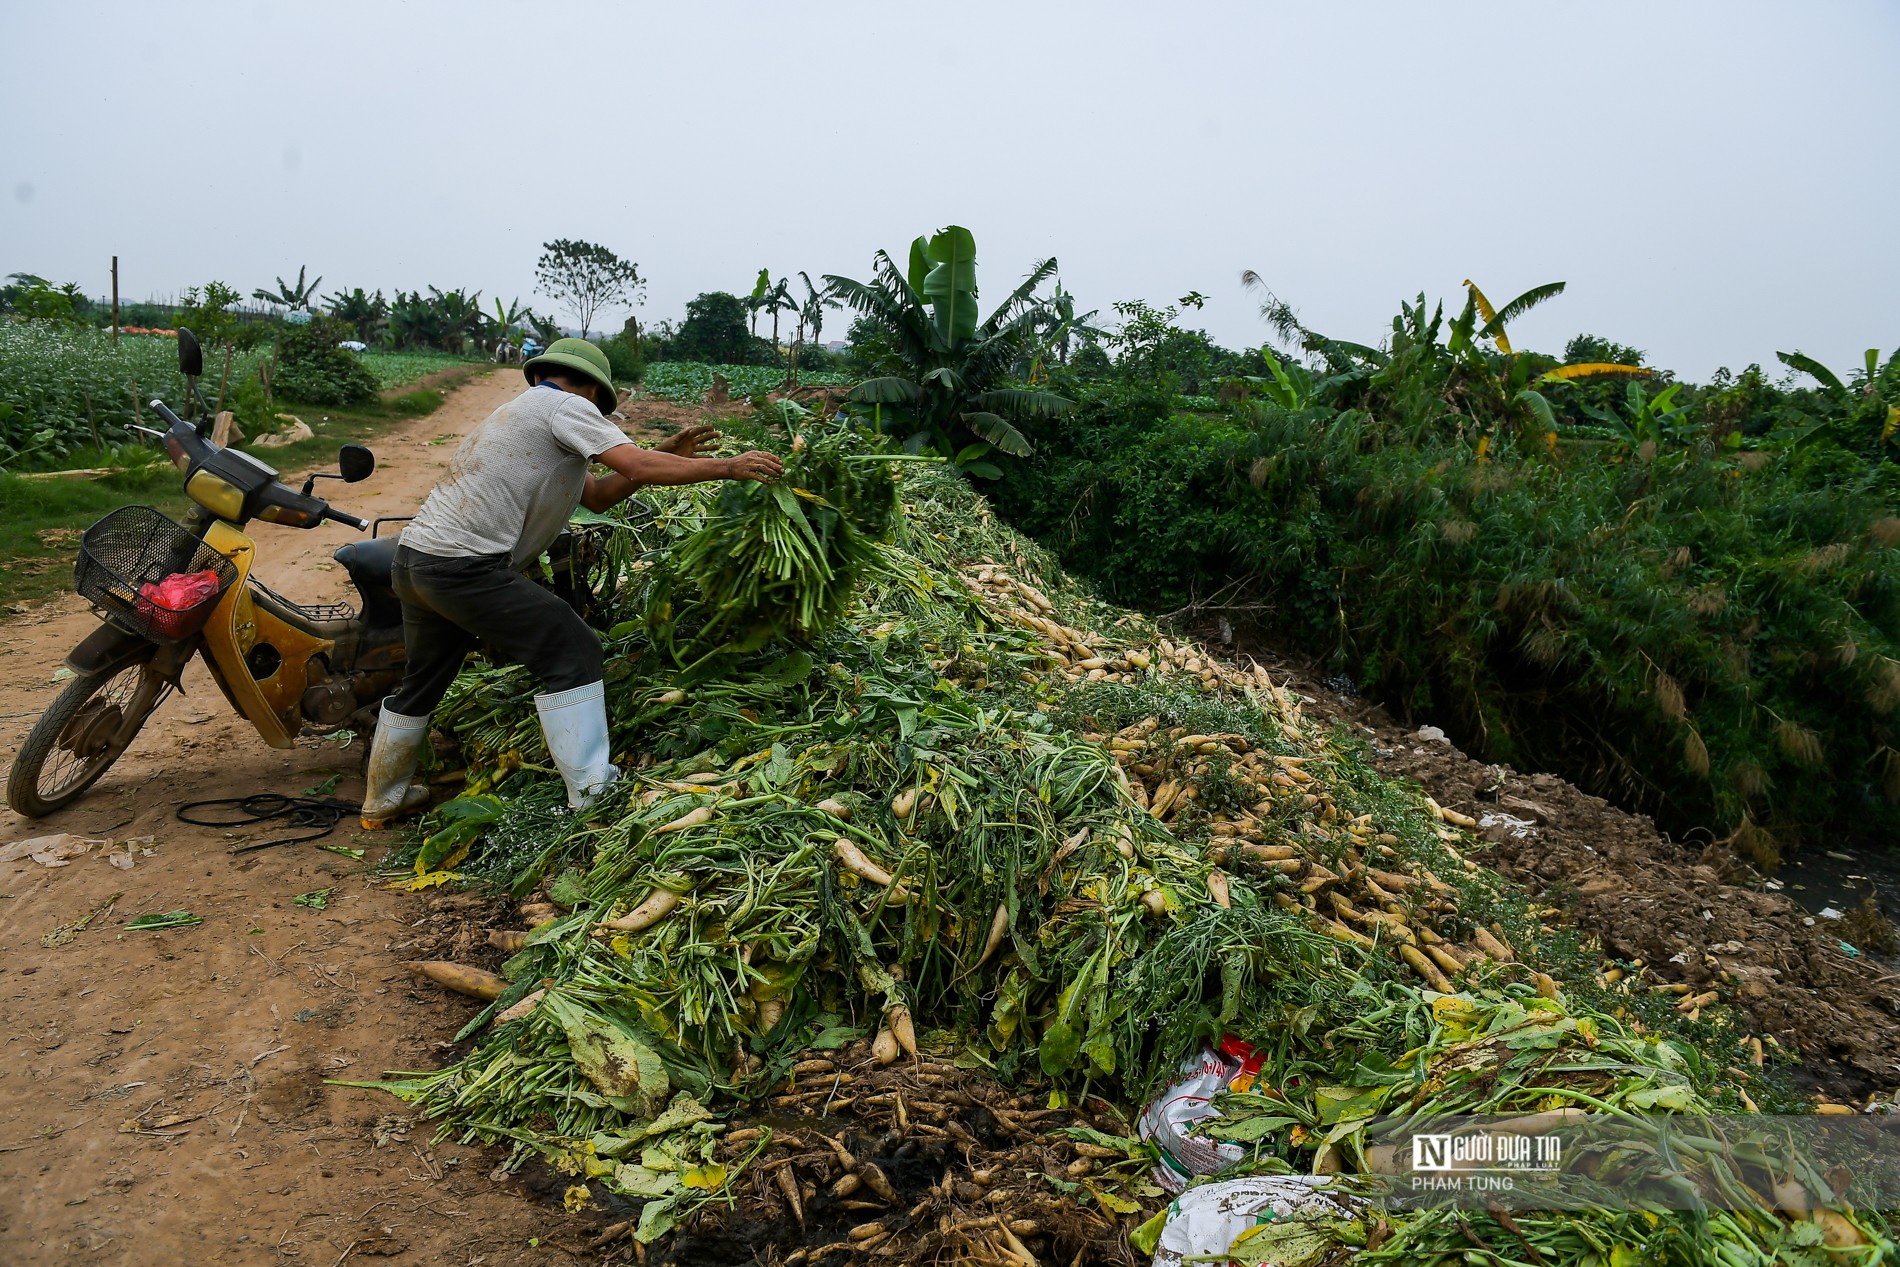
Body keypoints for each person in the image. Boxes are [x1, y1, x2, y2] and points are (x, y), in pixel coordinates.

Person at [359, 337, 782, 826]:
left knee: (425, 678)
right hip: (464, 567)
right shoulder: (564, 404)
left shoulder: (525, 412)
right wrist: (728, 467)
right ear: (593, 393)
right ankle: (592, 795)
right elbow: (635, 464)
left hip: (416, 562)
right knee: (574, 648)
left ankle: (383, 799)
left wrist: (661, 452)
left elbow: (600, 495)